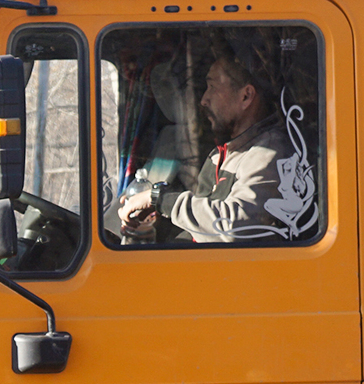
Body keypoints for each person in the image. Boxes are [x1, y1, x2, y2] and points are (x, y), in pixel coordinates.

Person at [117, 48, 313, 243]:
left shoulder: (270, 152)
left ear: (246, 96)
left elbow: (237, 226)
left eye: (212, 87)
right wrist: (160, 216)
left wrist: (160, 199)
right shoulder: (223, 154)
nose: (203, 100)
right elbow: (204, 222)